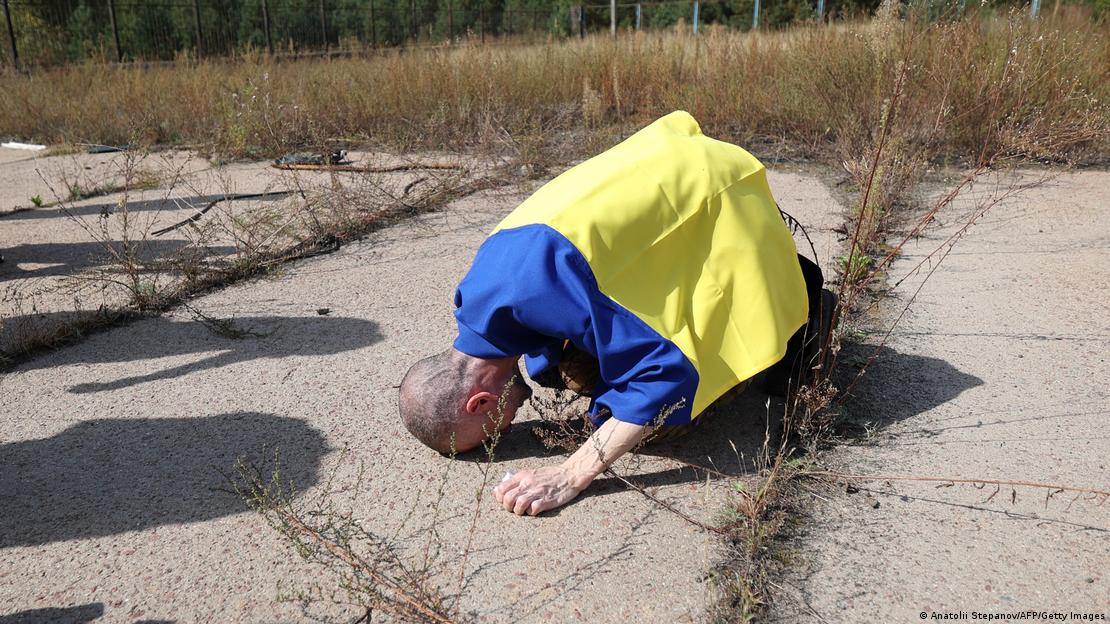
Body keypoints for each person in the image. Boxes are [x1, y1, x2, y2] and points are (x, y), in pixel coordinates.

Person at [398, 111, 834, 517]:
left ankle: (799, 301)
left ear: (481, 401)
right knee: (575, 372)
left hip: (717, 191)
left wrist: (572, 472)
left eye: (494, 432)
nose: (507, 430)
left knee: (658, 425)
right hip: (670, 160)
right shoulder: (475, 294)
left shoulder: (560, 288)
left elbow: (667, 380)